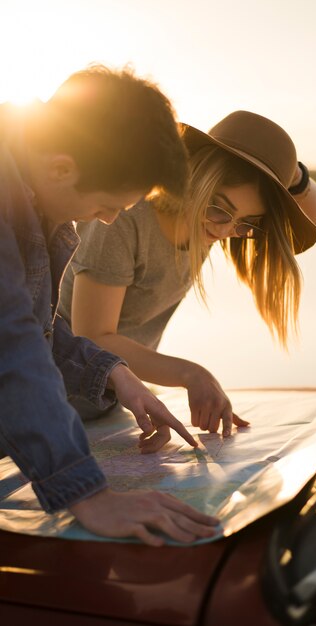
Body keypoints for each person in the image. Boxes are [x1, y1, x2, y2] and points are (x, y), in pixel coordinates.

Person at [0, 65, 219, 546]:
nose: (108, 219)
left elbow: (31, 328)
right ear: (61, 167)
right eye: (107, 205)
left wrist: (114, 373)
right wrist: (88, 494)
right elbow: (9, 346)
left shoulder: (35, 198)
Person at [59, 110, 316, 453]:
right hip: (45, 400)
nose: (223, 230)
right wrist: (191, 375)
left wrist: (289, 175)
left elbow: (314, 215)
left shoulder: (211, 226)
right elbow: (93, 337)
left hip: (109, 406)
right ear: (194, 178)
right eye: (220, 208)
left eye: (245, 223)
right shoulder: (124, 217)